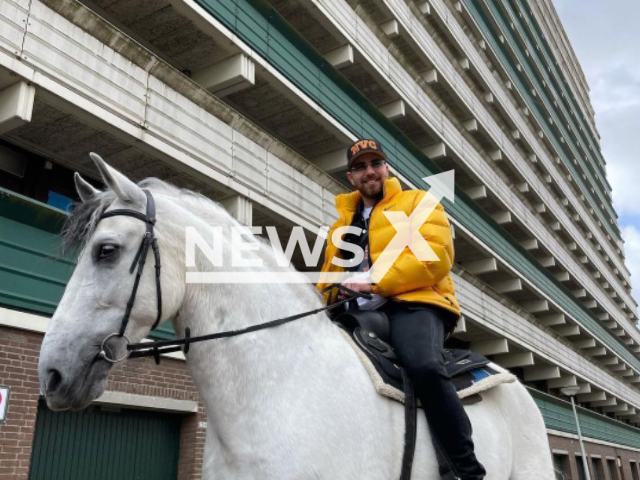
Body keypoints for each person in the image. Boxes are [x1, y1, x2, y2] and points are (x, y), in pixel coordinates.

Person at [317, 139, 486, 480]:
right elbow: (327, 279)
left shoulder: (417, 202)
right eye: (360, 167)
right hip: (359, 313)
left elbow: (434, 257)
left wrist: (375, 282)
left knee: (423, 365)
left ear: (387, 168)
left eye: (375, 163)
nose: (369, 172)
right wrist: (326, 296)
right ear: (351, 178)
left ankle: (464, 469)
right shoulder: (339, 228)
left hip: (417, 303)